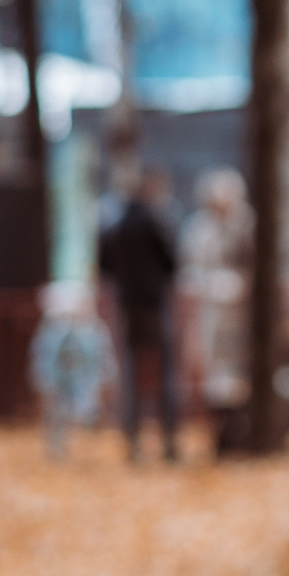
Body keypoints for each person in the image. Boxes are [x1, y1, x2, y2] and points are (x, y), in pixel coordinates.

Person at [99, 168, 181, 463]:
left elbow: (103, 265)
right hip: (155, 304)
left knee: (130, 376)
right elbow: (172, 262)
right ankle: (169, 442)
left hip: (127, 305)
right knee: (166, 374)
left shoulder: (115, 225)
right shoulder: (155, 222)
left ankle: (132, 443)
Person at [180, 168, 256, 456]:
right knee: (215, 374)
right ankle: (220, 435)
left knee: (240, 375)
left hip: (241, 316)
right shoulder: (199, 230)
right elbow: (190, 268)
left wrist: (239, 285)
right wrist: (207, 286)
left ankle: (239, 433)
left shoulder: (247, 225)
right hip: (211, 314)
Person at [30, 280, 117, 462]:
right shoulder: (53, 331)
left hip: (84, 382)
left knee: (86, 415)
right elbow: (44, 358)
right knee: (58, 415)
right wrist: (45, 381)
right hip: (60, 383)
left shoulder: (92, 330)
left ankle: (84, 453)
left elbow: (101, 356)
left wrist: (105, 377)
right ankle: (59, 452)